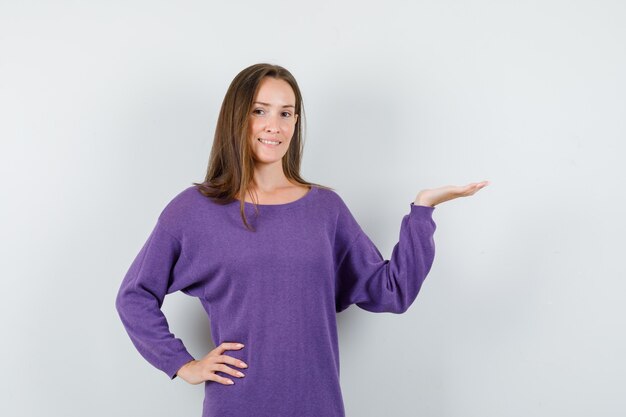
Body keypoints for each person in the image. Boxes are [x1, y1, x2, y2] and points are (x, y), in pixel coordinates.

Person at [115, 63, 489, 417]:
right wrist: (184, 365)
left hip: (317, 404)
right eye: (260, 111)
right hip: (237, 404)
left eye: (286, 113)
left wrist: (422, 211)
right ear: (236, 117)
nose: (273, 126)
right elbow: (134, 296)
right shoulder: (194, 210)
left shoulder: (325, 209)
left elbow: (392, 291)